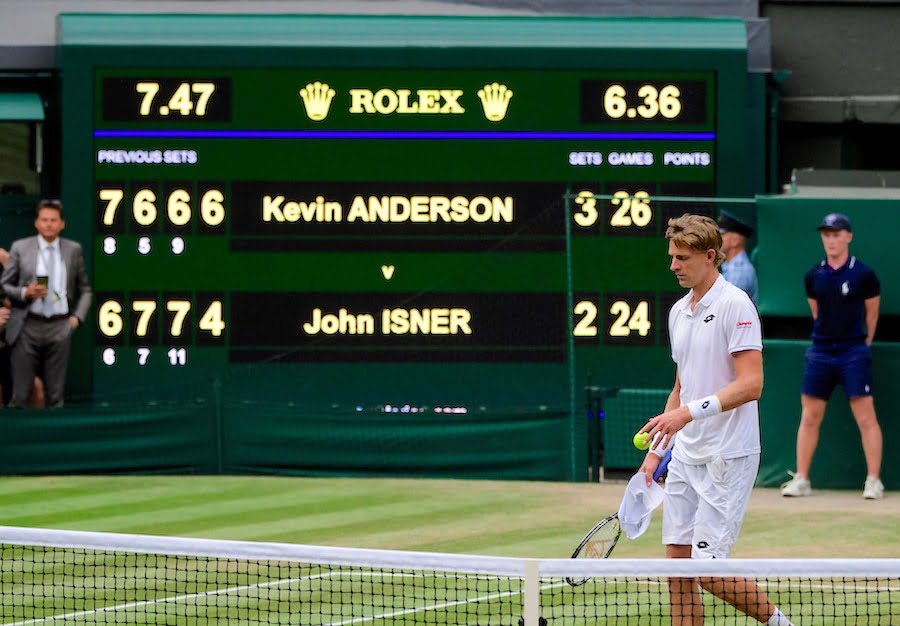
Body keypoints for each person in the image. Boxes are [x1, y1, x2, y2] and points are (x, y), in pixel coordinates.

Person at [637, 214, 794, 626]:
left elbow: (752, 384)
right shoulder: (677, 312)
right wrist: (656, 453)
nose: (673, 265)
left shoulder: (735, 305)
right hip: (687, 456)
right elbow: (681, 388)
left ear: (710, 256)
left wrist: (688, 412)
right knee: (677, 563)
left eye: (682, 257)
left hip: (729, 455)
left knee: (706, 569)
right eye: (671, 256)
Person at [780, 213, 883, 499]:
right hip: (821, 351)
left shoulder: (864, 274)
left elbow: (871, 314)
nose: (831, 239)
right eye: (827, 234)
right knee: (810, 416)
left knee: (865, 417)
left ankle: (873, 480)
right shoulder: (813, 276)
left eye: (836, 234)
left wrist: (863, 344)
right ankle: (801, 479)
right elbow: (817, 314)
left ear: (848, 237)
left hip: (854, 351)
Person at [1, 199, 92, 408]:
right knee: (20, 393)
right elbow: (5, 285)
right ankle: (17, 438)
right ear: (36, 223)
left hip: (60, 326)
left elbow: (85, 289)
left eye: (53, 220)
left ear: (62, 224)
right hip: (27, 325)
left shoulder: (73, 250)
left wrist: (76, 319)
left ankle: (55, 438)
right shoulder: (20, 247)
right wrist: (25, 292)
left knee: (56, 395)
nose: (49, 224)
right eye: (44, 220)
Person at [718, 210, 758, 304]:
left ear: (736, 240)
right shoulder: (731, 267)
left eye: (722, 235)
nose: (718, 239)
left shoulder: (739, 271)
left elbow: (727, 304)